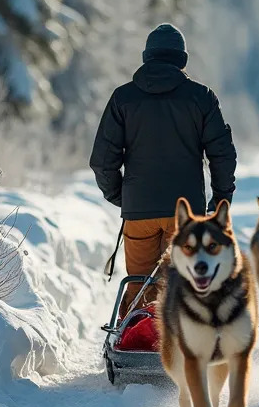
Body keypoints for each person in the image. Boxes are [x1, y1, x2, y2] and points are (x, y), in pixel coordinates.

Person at [90, 23, 237, 306]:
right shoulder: (201, 97)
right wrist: (221, 200)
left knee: (140, 288)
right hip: (186, 215)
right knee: (183, 286)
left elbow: (102, 160)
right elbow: (222, 154)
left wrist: (121, 197)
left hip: (139, 212)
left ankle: (136, 341)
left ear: (147, 57)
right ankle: (182, 341)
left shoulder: (123, 97)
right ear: (182, 59)